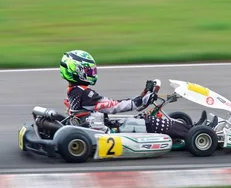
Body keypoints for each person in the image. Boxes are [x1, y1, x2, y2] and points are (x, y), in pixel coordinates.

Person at [59, 50, 217, 137]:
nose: (92, 73)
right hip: (103, 131)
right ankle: (198, 133)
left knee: (147, 118)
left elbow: (107, 104)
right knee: (151, 122)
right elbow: (113, 107)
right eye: (88, 71)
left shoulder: (75, 91)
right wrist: (138, 102)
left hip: (98, 126)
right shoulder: (84, 94)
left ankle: (192, 128)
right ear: (76, 71)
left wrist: (141, 97)